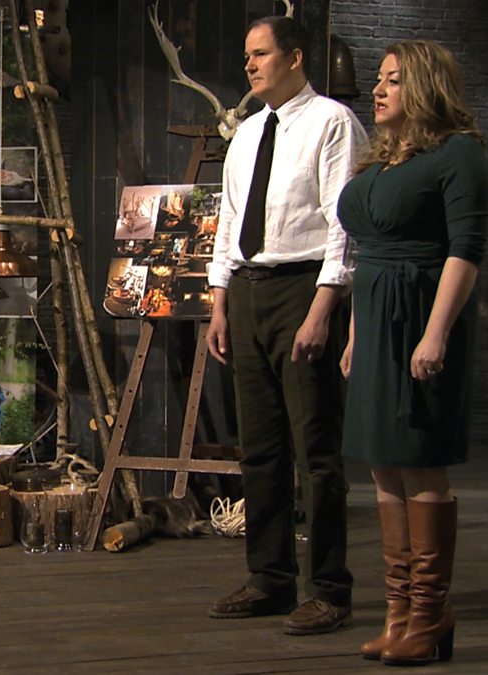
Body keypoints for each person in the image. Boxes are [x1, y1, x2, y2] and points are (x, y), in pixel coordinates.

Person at [206, 16, 369, 636]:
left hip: (303, 287)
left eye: (261, 54)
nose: (249, 65)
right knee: (261, 447)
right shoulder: (248, 132)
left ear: (295, 58)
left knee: (316, 451)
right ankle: (270, 577)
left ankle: (328, 588)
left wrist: (324, 308)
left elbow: (343, 225)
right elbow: (229, 221)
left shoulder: (331, 123)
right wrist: (219, 301)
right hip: (249, 290)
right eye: (246, 55)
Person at [337, 40, 488, 665]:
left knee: (420, 458)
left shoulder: (458, 154)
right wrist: (355, 333)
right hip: (376, 319)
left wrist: (436, 332)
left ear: (426, 86)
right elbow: (366, 257)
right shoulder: (382, 160)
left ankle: (430, 612)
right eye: (379, 79)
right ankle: (399, 612)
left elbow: (465, 250)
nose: (378, 90)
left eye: (393, 80)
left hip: (419, 316)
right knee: (383, 462)